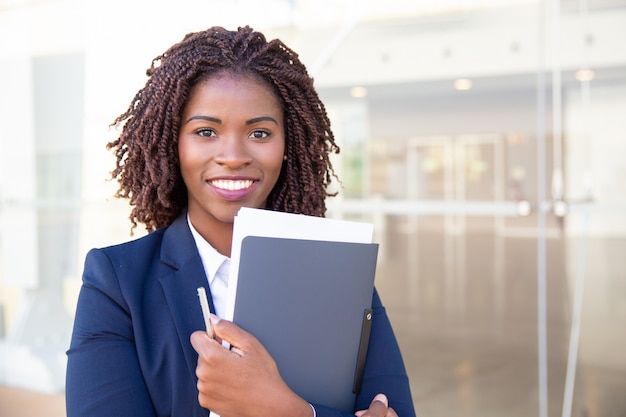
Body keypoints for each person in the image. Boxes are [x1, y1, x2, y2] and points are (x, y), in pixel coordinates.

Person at [66, 26, 416, 417]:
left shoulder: (344, 278)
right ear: (173, 144)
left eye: (260, 132)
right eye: (205, 131)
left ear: (288, 147)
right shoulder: (116, 283)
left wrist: (283, 409)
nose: (233, 155)